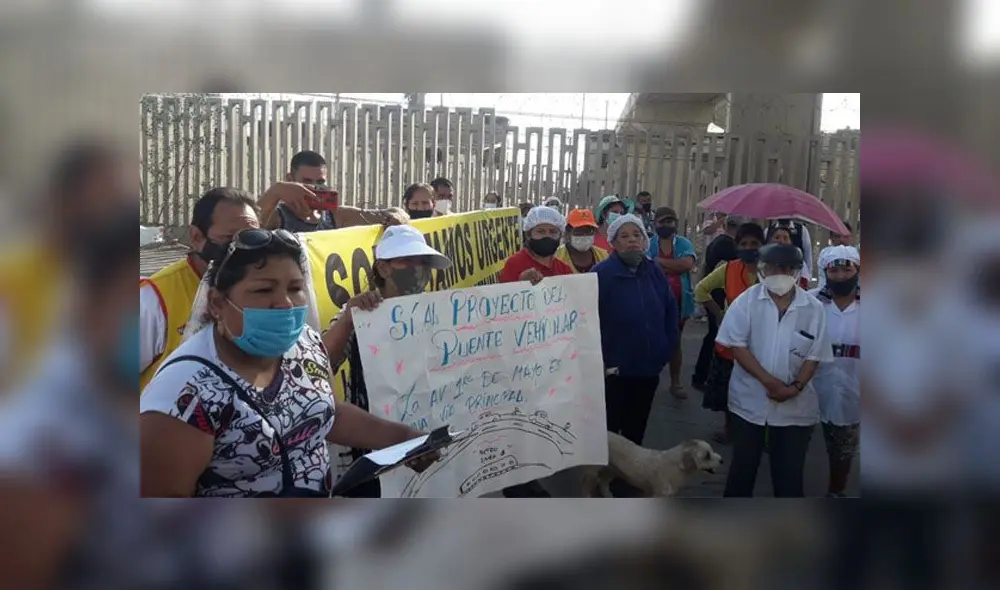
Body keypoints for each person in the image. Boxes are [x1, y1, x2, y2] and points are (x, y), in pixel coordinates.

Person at [140, 228, 437, 497]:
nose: (285, 303)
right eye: (263, 290)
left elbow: (325, 412)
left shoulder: (305, 343)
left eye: (295, 288)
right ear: (217, 303)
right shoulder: (184, 395)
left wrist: (404, 439)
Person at [321, 224, 454, 498]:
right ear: (383, 268)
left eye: (423, 262)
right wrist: (349, 319)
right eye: (407, 261)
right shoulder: (363, 314)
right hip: (376, 439)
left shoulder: (440, 310)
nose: (417, 269)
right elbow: (323, 364)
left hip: (429, 435)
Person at [0, 138, 132, 392]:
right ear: (65, 199)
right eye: (107, 195)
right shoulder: (11, 278)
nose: (119, 211)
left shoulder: (116, 281)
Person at [716, 243, 833, 497]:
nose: (779, 273)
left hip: (796, 406)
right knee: (742, 472)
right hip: (750, 401)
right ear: (761, 270)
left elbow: (815, 355)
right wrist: (771, 384)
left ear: (797, 272)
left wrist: (795, 388)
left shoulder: (813, 309)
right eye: (773, 268)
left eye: (786, 268)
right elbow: (737, 346)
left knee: (789, 478)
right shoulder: (745, 303)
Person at [140, 187, 260, 390]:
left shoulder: (266, 293)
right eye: (230, 239)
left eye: (252, 238)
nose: (242, 251)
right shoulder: (154, 299)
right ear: (196, 237)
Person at [594, 214, 679, 445]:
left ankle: (630, 476)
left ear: (644, 240)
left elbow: (670, 311)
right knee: (610, 432)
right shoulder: (601, 274)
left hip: (648, 368)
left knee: (636, 429)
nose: (631, 240)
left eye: (636, 235)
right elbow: (589, 320)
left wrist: (665, 349)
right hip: (615, 370)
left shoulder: (654, 271)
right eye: (624, 236)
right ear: (613, 242)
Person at [693, 222, 765, 444]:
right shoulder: (729, 269)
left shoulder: (772, 270)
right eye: (744, 243)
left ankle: (759, 432)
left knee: (758, 386)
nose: (749, 247)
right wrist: (718, 313)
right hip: (732, 340)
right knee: (730, 388)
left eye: (754, 243)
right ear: (737, 245)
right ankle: (730, 429)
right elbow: (701, 290)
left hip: (762, 339)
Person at [809, 246, 861, 497]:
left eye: (846, 268)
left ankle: (836, 491)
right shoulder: (810, 302)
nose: (841, 275)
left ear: (857, 270)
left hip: (855, 386)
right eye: (835, 269)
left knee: (843, 449)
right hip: (810, 384)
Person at [259, 150, 409, 232]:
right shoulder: (278, 216)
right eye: (306, 182)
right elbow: (246, 229)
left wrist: (397, 216)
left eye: (320, 182)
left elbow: (393, 212)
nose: (314, 188)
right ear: (290, 180)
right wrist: (275, 191)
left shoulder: (333, 215)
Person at [646, 207, 697, 399]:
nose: (666, 225)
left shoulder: (683, 242)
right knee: (650, 343)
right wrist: (673, 266)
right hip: (653, 304)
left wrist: (660, 263)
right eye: (662, 222)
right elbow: (648, 268)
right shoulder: (649, 243)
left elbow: (687, 265)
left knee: (675, 344)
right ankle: (649, 379)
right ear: (655, 223)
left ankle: (676, 383)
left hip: (679, 303)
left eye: (669, 221)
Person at [692, 215, 742, 390]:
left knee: (712, 336)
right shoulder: (727, 246)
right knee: (715, 337)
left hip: (716, 293)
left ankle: (701, 375)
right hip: (720, 295)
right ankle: (703, 375)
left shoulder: (718, 242)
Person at [499, 206, 575, 284]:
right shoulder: (514, 264)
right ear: (528, 235)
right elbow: (503, 293)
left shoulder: (564, 270)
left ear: (560, 235)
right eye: (540, 231)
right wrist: (521, 283)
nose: (547, 236)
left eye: (553, 232)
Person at [555, 208, 609, 273]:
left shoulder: (603, 256)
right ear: (568, 232)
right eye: (579, 231)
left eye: (588, 231)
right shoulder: (557, 256)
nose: (584, 235)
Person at [768, 220, 813, 286]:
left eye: (785, 238)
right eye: (777, 237)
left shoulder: (801, 230)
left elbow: (808, 256)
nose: (781, 241)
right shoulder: (768, 230)